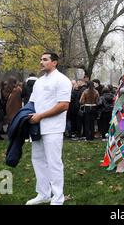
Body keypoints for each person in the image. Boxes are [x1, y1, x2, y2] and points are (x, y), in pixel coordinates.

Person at [25, 52, 72, 205]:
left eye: (45, 60)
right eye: (41, 59)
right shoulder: (38, 82)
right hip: (37, 127)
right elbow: (31, 103)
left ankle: (58, 198)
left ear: (54, 62)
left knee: (54, 163)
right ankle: (43, 193)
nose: (41, 62)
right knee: (37, 160)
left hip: (53, 127)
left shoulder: (62, 80)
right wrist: (24, 116)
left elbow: (63, 105)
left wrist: (41, 115)